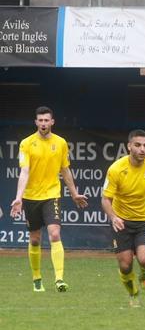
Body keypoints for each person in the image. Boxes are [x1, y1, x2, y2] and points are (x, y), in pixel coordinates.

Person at [10, 106, 88, 292]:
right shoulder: (26, 144)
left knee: (54, 233)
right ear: (36, 122)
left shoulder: (61, 143)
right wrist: (18, 198)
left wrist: (74, 193)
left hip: (52, 194)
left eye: (47, 120)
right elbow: (24, 171)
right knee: (35, 239)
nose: (43, 123)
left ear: (52, 122)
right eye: (40, 120)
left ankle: (59, 278)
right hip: (30, 197)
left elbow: (65, 170)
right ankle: (37, 278)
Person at [101, 129, 145, 307]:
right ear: (129, 146)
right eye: (138, 145)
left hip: (144, 220)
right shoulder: (116, 169)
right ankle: (133, 293)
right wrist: (113, 217)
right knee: (125, 266)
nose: (142, 149)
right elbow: (105, 199)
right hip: (121, 221)